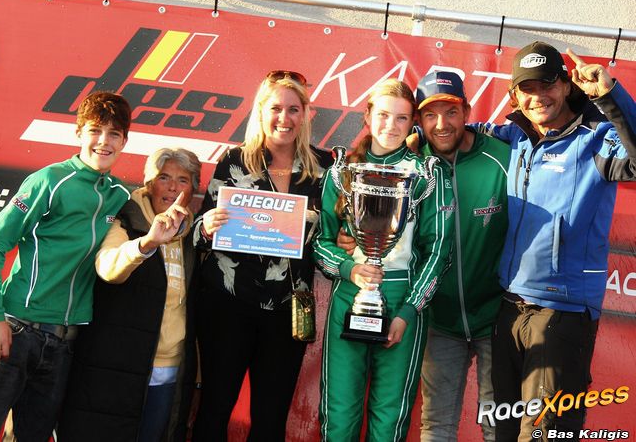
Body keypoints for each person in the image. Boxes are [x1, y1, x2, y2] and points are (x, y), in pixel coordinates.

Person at [479, 42, 636, 441]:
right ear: (515, 95)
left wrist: (610, 95)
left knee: (545, 435)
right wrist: (411, 135)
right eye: (527, 88)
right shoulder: (514, 136)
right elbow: (453, 134)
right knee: (502, 433)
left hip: (562, 313)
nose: (538, 97)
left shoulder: (597, 137)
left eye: (547, 84)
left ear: (566, 86)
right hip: (510, 307)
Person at [0, 92, 132, 442]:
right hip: (13, 333)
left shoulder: (119, 195)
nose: (104, 141)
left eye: (114, 134)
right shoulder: (50, 180)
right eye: (95, 131)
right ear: (79, 133)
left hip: (62, 344)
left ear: (125, 141)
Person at [190, 70, 333, 442]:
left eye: (293, 109)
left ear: (305, 114)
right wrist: (207, 227)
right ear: (260, 112)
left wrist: (344, 241)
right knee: (215, 408)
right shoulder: (235, 160)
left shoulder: (325, 167)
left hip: (288, 309)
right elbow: (198, 232)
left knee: (270, 419)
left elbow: (332, 235)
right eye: (275, 109)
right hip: (228, 303)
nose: (284, 118)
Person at [313, 78, 454, 441]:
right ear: (367, 116)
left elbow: (438, 250)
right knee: (338, 415)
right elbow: (320, 243)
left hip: (403, 298)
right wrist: (349, 269)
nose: (391, 126)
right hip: (349, 295)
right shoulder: (341, 170)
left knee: (390, 419)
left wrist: (408, 311)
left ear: (412, 123)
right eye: (383, 115)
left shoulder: (428, 173)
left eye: (402, 118)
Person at [56, 147, 200, 441]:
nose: (173, 187)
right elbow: (108, 268)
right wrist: (147, 243)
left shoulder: (195, 235)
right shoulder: (125, 218)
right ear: (149, 184)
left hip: (169, 371)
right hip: (116, 366)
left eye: (183, 180)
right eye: (164, 177)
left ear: (193, 190)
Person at [408, 71, 509, 442]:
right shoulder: (410, 165)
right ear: (418, 120)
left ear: (466, 111)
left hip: (497, 318)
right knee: (437, 425)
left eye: (450, 112)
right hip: (439, 320)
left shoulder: (501, 157)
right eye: (430, 115)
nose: (442, 124)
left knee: (499, 425)